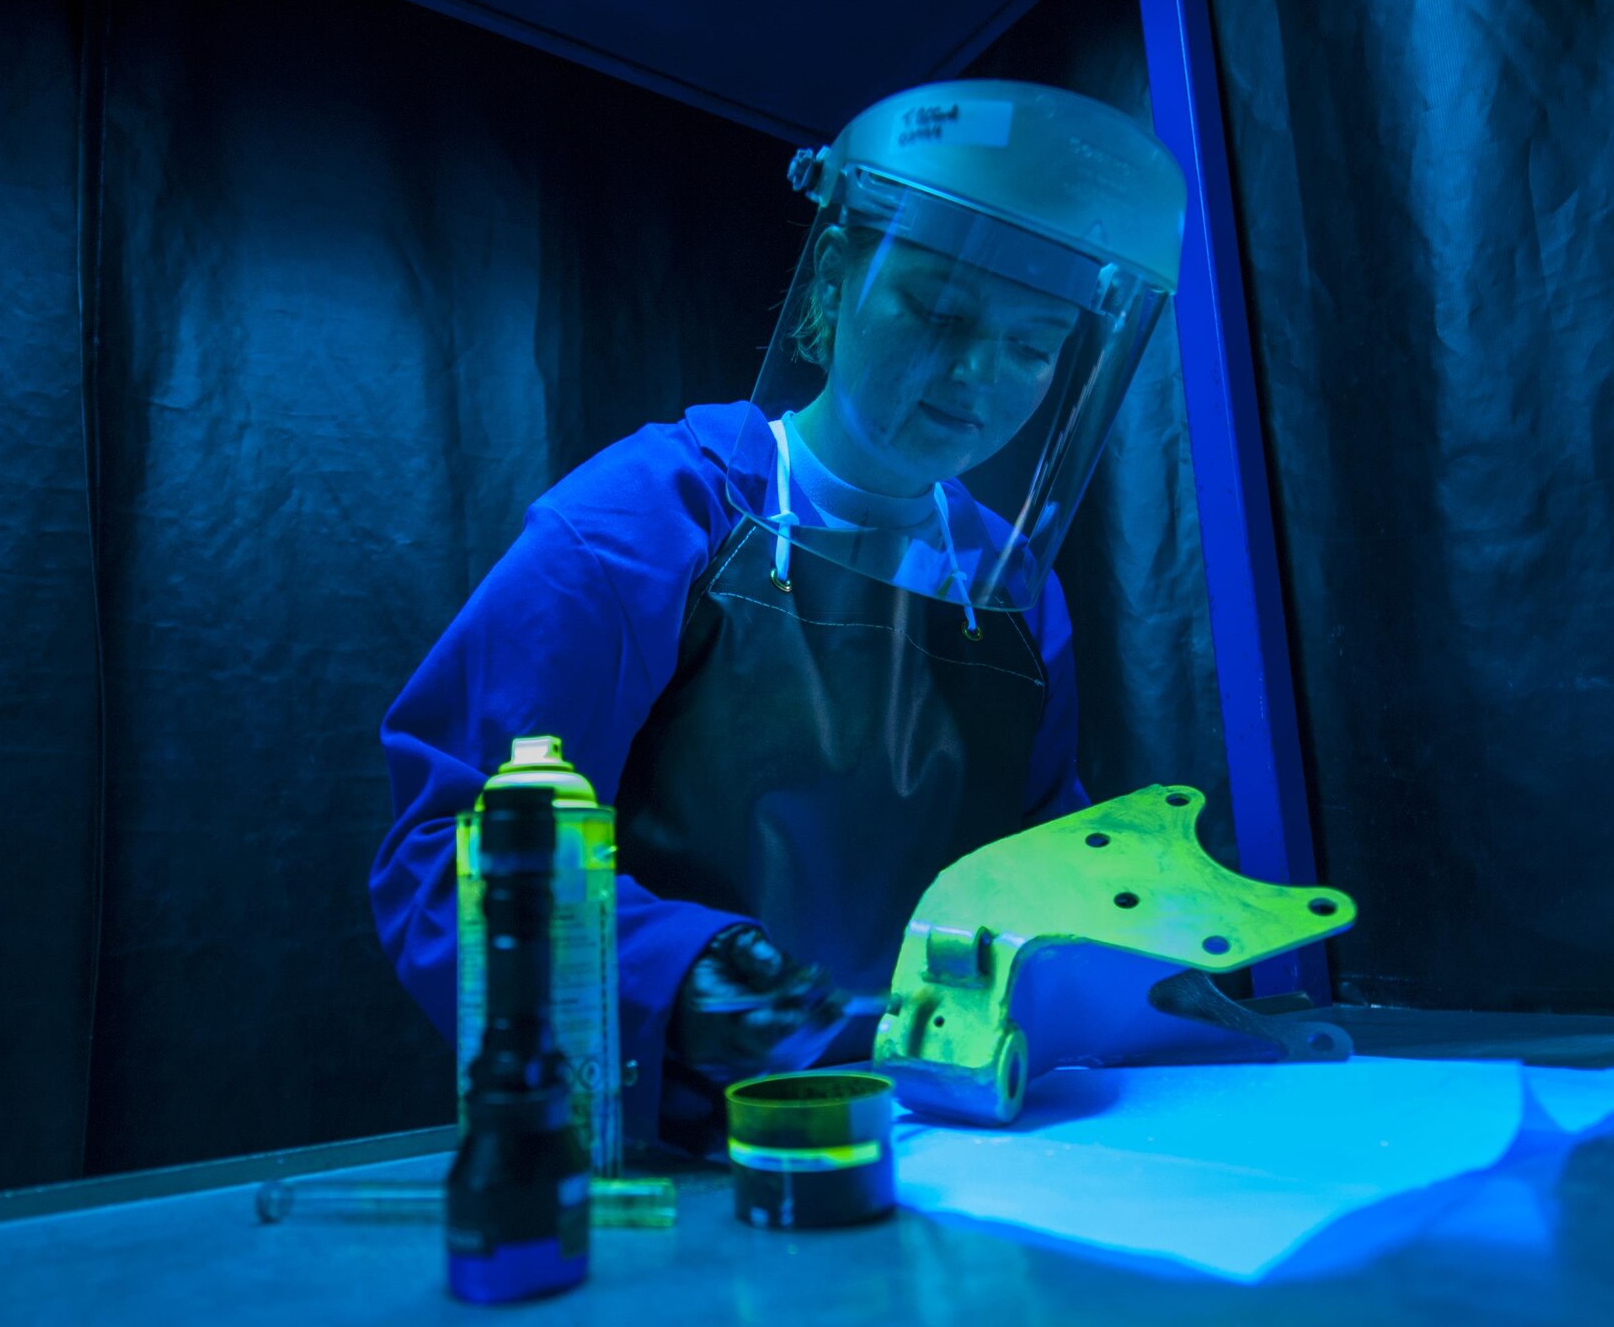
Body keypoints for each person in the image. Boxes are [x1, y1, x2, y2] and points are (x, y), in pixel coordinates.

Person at [371, 80, 1185, 1144]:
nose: (978, 375)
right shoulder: (643, 523)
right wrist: (687, 976)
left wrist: (1138, 970)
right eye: (938, 312)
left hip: (948, 1142)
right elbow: (449, 853)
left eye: (1033, 346)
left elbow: (1029, 870)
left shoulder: (1012, 589)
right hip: (683, 1146)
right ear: (835, 278)